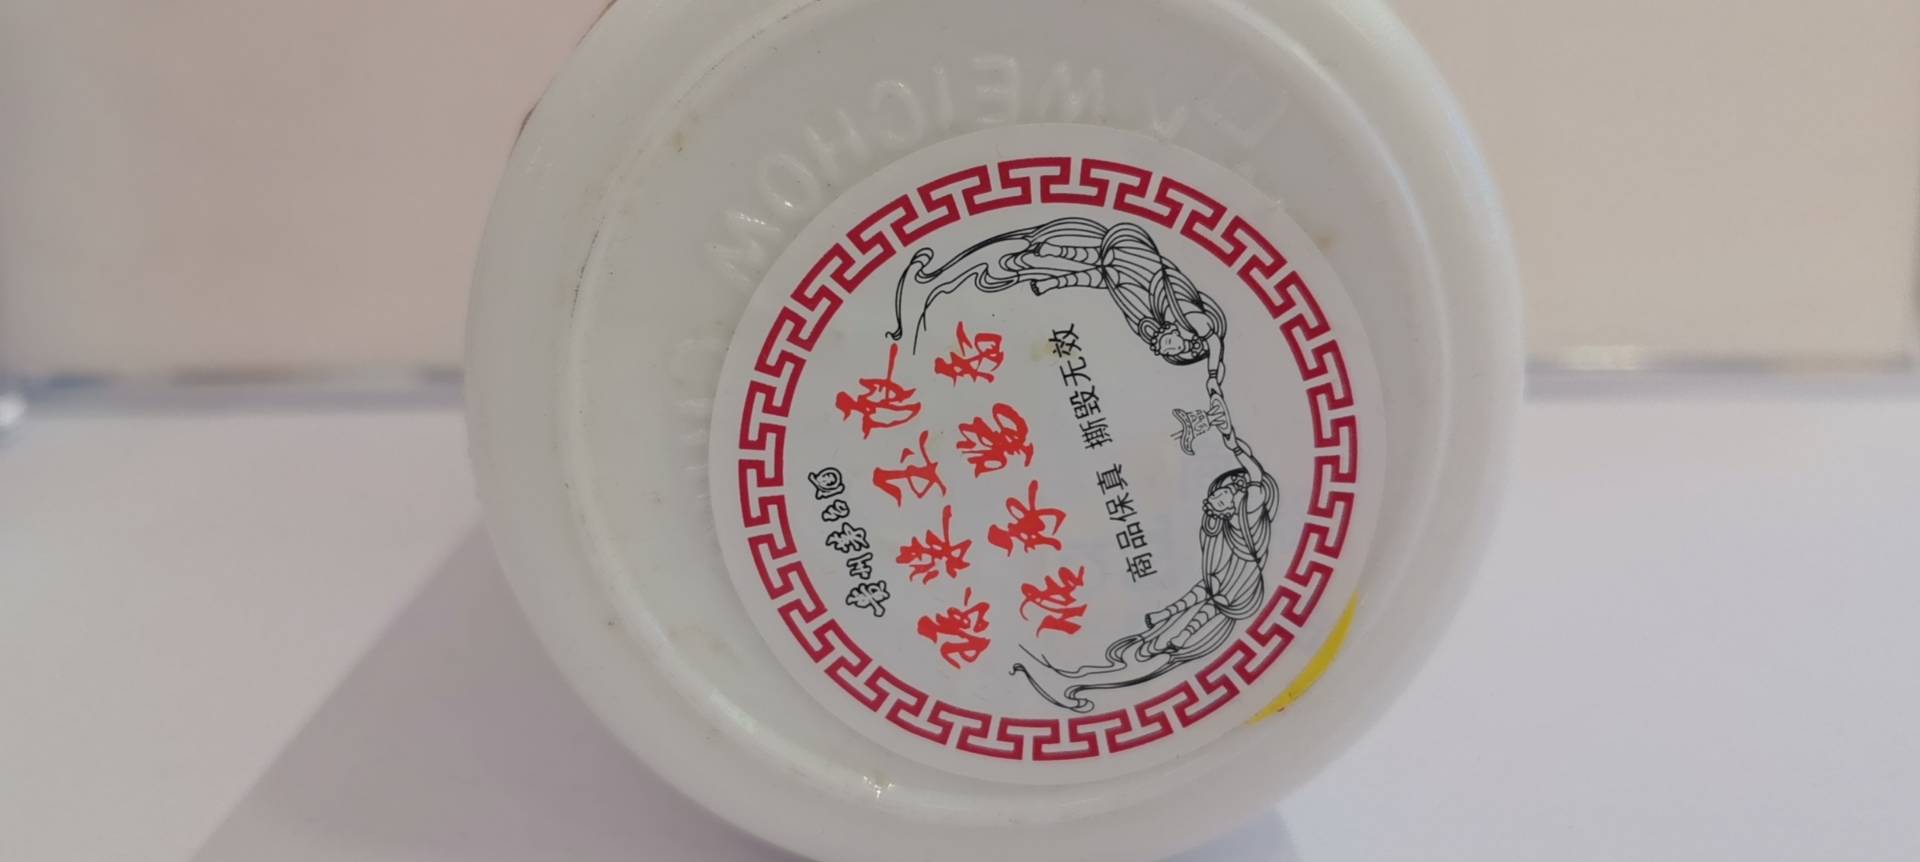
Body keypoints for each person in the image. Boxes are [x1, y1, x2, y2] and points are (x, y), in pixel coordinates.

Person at [1012, 402, 1279, 713]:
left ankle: (1164, 640)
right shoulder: (1220, 529)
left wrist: (1230, 438)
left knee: (1185, 631)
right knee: (1156, 639)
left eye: (1224, 494)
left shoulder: (1250, 516)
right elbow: (1208, 578)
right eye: (1216, 494)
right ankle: (1086, 675)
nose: (1217, 497)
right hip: (1218, 586)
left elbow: (1255, 476)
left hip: (1238, 593)